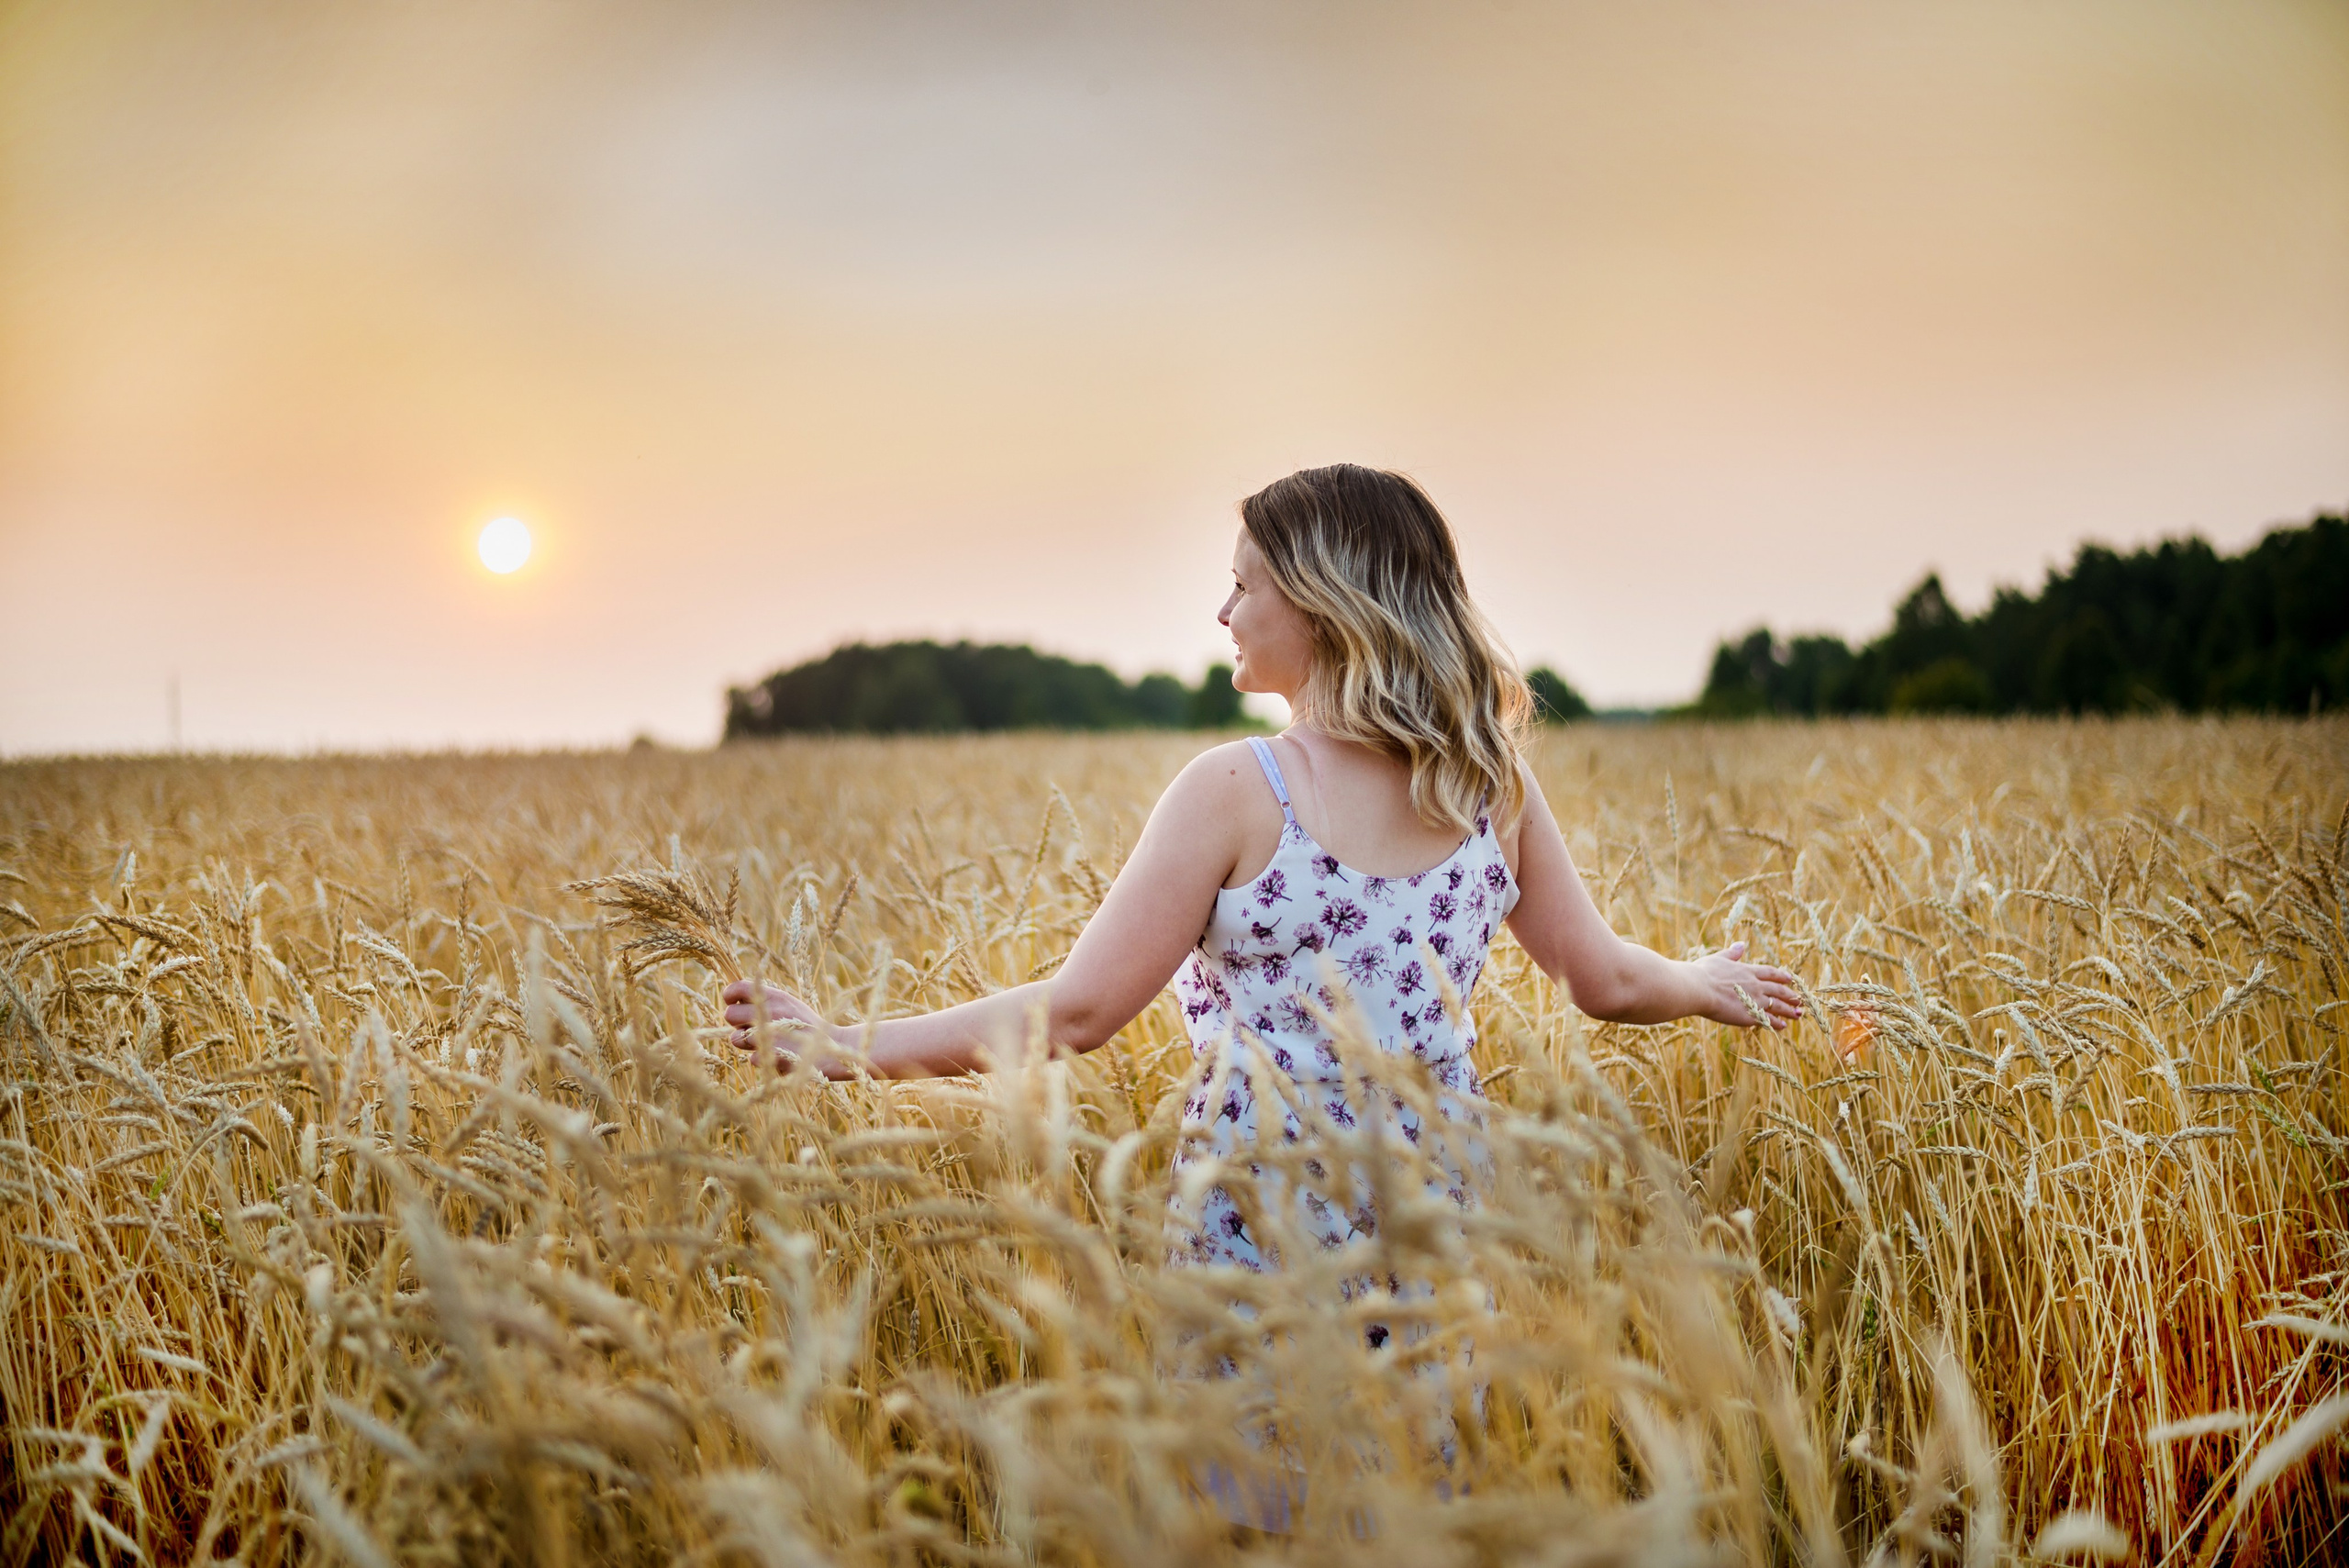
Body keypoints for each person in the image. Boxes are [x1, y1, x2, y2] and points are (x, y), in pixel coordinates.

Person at [722, 462, 1802, 1265]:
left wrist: (843, 1044)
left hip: (1262, 1215)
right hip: (1436, 1217)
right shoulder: (1489, 784)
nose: (1223, 610)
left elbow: (1079, 1011)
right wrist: (1702, 983)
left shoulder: (1236, 789)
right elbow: (1603, 979)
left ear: (1324, 601)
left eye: (1244, 584)